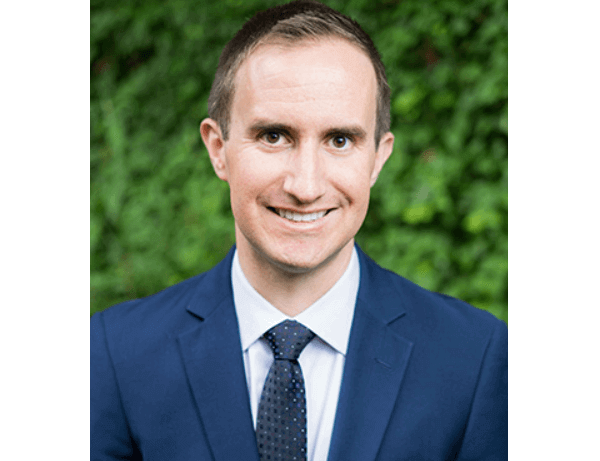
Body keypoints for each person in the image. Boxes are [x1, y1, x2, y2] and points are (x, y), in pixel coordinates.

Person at [90, 1, 508, 460]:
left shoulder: (476, 358)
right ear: (218, 149)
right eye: (274, 136)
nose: (305, 187)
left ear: (377, 158)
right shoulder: (113, 355)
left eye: (340, 140)